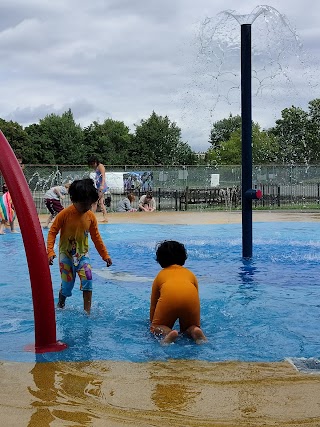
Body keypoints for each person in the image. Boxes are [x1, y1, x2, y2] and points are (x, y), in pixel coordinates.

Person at [47, 179, 112, 314]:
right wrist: (50, 251)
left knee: (88, 279)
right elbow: (52, 232)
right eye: (84, 204)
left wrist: (104, 255)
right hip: (66, 256)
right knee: (67, 286)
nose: (87, 207)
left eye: (90, 204)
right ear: (73, 199)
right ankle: (61, 302)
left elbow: (96, 238)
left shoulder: (90, 217)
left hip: (83, 256)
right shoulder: (64, 214)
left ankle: (87, 312)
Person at [150, 240, 207, 345]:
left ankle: (168, 333)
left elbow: (154, 304)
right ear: (183, 257)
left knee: (157, 327)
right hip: (190, 300)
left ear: (160, 259)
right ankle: (194, 331)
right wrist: (195, 323)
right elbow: (196, 298)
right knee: (189, 328)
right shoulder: (190, 274)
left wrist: (153, 325)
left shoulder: (160, 276)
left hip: (169, 301)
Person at [87, 156, 108, 221]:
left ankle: (91, 217)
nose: (92, 165)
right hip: (99, 186)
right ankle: (105, 218)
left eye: (92, 164)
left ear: (95, 162)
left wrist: (102, 185)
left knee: (94, 202)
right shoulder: (96, 167)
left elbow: (103, 176)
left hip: (102, 186)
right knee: (101, 203)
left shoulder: (100, 166)